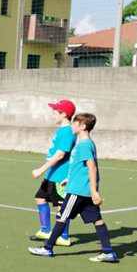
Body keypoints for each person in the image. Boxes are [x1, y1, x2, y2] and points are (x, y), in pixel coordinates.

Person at [29, 113, 117, 263]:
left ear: (83, 127)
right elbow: (81, 167)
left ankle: (47, 248)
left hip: (78, 191)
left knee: (62, 217)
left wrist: (94, 191)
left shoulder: (84, 145)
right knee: (97, 220)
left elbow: (92, 167)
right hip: (82, 189)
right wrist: (68, 179)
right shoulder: (85, 143)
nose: (72, 126)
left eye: (75, 123)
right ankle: (108, 251)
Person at [31, 99, 77, 247]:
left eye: (55, 112)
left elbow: (60, 155)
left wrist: (40, 169)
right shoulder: (61, 130)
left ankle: (64, 236)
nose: (53, 115)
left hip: (60, 176)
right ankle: (46, 230)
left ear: (64, 114)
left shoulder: (68, 132)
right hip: (52, 174)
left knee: (61, 206)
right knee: (40, 198)